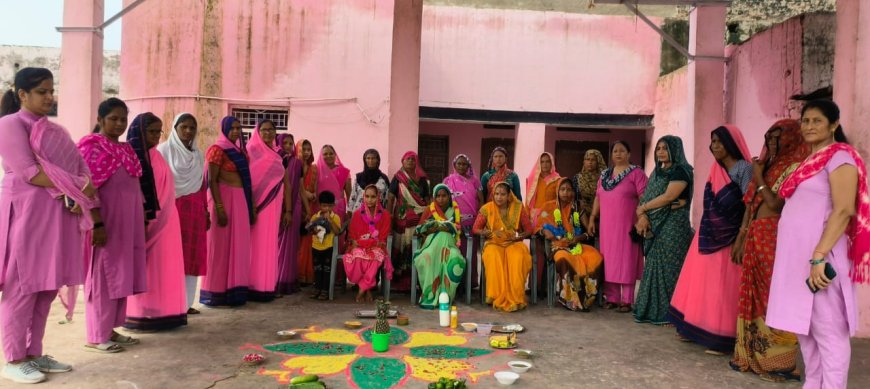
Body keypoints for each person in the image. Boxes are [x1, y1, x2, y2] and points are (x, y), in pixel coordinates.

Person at [0, 67, 95, 383]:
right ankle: (13, 358)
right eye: (42, 91)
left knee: (46, 288)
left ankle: (34, 352)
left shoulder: (56, 132)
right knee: (22, 287)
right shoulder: (10, 125)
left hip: (56, 216)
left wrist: (77, 187)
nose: (49, 97)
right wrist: (76, 188)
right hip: (25, 216)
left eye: (51, 90)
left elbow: (83, 171)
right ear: (22, 94)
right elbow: (30, 172)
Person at [767, 100, 870, 388]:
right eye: (806, 121)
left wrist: (818, 256)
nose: (809, 126)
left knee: (830, 336)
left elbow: (843, 210)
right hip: (799, 261)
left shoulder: (841, 158)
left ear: (834, 125)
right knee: (807, 337)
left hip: (821, 261)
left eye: (817, 121)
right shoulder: (810, 161)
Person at [729, 120, 807, 382]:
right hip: (755, 235)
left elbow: (775, 204)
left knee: (772, 296)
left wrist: (759, 175)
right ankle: (753, 354)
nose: (772, 143)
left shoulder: (795, 167)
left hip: (776, 237)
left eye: (778, 138)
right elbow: (751, 204)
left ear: (791, 139)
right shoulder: (768, 164)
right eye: (769, 138)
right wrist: (741, 238)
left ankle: (779, 361)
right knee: (753, 293)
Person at [668, 125, 752, 354]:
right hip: (707, 235)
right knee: (701, 283)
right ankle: (693, 327)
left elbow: (750, 203)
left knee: (722, 287)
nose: (714, 146)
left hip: (729, 236)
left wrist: (742, 237)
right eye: (712, 141)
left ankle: (720, 338)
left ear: (731, 143)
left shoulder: (744, 169)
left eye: (719, 141)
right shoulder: (717, 168)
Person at [78, 98, 147, 353]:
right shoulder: (91, 147)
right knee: (103, 277)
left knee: (121, 274)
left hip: (128, 224)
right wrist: (97, 223)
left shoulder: (127, 150)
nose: (119, 124)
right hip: (104, 223)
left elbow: (134, 187)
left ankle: (111, 328)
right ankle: (97, 335)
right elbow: (86, 190)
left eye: (122, 119)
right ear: (100, 120)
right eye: (113, 119)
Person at [124, 113, 188, 331]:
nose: (155, 136)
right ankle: (141, 313)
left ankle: (164, 311)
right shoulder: (134, 156)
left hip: (168, 221)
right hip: (148, 223)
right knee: (148, 269)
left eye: (158, 131)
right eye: (150, 131)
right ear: (139, 131)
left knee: (165, 267)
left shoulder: (156, 155)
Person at [632, 136, 694, 325]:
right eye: (658, 148)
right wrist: (642, 215)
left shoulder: (681, 171)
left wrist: (643, 209)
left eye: (665, 148)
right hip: (655, 224)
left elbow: (669, 197)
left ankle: (671, 314)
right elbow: (647, 199)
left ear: (674, 150)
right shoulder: (657, 172)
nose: (660, 152)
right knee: (653, 266)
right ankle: (650, 311)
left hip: (673, 226)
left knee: (669, 269)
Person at [200, 116, 255, 307]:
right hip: (222, 200)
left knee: (239, 246)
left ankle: (235, 292)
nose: (235, 131)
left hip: (240, 200)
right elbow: (211, 180)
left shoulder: (241, 151)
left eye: (238, 128)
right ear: (224, 129)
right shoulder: (217, 150)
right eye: (231, 128)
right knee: (220, 247)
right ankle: (215, 293)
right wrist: (219, 208)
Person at [156, 113, 208, 315]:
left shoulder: (198, 154)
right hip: (172, 209)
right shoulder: (164, 151)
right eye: (183, 127)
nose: (188, 131)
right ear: (175, 129)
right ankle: (170, 301)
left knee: (191, 256)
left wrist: (206, 210)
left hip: (194, 212)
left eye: (192, 127)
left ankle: (186, 304)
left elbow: (202, 186)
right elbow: (160, 184)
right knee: (172, 255)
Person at [588, 141, 648, 312]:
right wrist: (593, 217)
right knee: (609, 260)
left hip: (628, 224)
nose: (618, 154)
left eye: (622, 150)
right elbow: (598, 197)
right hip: (607, 227)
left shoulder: (637, 173)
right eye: (615, 151)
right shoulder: (605, 175)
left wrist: (642, 218)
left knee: (626, 259)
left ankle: (627, 300)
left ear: (629, 154)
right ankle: (612, 297)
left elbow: (644, 197)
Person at [537, 178, 603, 312]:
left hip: (576, 245)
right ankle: (571, 299)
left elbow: (589, 231)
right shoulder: (548, 207)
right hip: (557, 246)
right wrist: (544, 230)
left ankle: (586, 296)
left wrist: (579, 237)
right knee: (563, 258)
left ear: (573, 192)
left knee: (596, 257)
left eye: (569, 190)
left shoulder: (578, 207)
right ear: (557, 191)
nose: (566, 193)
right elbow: (539, 223)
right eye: (562, 189)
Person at [247, 120, 292, 302]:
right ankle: (250, 286)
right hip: (254, 206)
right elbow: (247, 180)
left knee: (269, 245)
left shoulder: (279, 155)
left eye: (271, 130)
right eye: (264, 130)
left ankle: (267, 286)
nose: (268, 133)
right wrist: (250, 206)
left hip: (273, 206)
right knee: (253, 246)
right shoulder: (250, 152)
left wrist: (288, 210)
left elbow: (286, 184)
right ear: (257, 132)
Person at [473, 182, 533, 312]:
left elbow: (529, 229)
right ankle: (496, 296)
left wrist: (518, 236)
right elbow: (476, 228)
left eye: (503, 194)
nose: (499, 197)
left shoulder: (518, 208)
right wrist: (486, 232)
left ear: (509, 195)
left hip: (513, 242)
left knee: (518, 257)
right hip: (494, 243)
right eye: (496, 194)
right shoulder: (487, 208)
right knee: (493, 256)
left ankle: (516, 297)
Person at [413, 184, 468, 308]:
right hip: (431, 246)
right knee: (426, 258)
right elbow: (418, 230)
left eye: (444, 196)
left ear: (449, 196)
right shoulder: (429, 209)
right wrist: (432, 227)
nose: (441, 199)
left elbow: (461, 231)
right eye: (438, 196)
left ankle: (446, 296)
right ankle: (430, 295)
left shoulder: (455, 211)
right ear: (434, 197)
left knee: (455, 260)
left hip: (450, 246)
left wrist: (451, 227)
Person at [386, 151, 430, 291]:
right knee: (400, 247)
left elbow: (428, 200)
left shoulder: (423, 179)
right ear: (402, 161)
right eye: (407, 159)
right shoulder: (398, 178)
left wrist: (428, 217)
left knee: (416, 248)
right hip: (402, 218)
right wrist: (388, 216)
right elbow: (391, 197)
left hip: (419, 218)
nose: (410, 161)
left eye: (413, 159)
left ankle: (415, 282)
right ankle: (400, 283)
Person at [344, 185, 392, 302]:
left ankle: (361, 290)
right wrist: (364, 243)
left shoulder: (385, 215)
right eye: (367, 196)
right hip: (360, 246)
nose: (370, 200)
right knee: (358, 256)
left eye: (373, 197)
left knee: (375, 258)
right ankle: (368, 290)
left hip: (376, 246)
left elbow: (382, 237)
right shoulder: (356, 214)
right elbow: (353, 237)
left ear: (378, 198)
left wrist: (369, 242)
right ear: (363, 197)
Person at [442, 154, 484, 289]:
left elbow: (481, 199)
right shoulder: (448, 180)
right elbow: (443, 200)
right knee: (455, 251)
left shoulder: (475, 181)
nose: (461, 166)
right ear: (454, 165)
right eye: (459, 164)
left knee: (469, 252)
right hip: (454, 222)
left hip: (471, 222)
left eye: (464, 164)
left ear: (468, 166)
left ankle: (470, 282)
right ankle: (455, 282)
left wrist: (480, 217)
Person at [525, 152, 561, 294]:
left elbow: (558, 202)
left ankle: (548, 287)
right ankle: (535, 286)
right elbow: (529, 201)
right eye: (543, 162)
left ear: (552, 163)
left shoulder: (557, 180)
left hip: (551, 220)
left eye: (548, 162)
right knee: (536, 252)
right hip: (535, 221)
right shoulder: (534, 179)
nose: (545, 164)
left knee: (550, 252)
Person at [276, 133, 303, 295]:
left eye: (290, 143)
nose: (287, 146)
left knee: (290, 247)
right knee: (275, 246)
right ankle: (274, 280)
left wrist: (304, 209)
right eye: (284, 142)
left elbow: (300, 189)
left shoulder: (297, 163)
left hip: (293, 209)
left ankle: (286, 281)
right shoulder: (275, 160)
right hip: (275, 208)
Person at [307, 191, 342, 300]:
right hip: (316, 247)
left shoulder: (335, 217)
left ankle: (325, 290)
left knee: (327, 269)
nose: (326, 208)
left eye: (329, 206)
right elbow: (309, 228)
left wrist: (330, 220)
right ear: (320, 205)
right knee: (317, 268)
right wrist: (314, 229)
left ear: (333, 205)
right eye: (324, 205)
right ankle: (317, 288)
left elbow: (337, 232)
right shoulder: (315, 216)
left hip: (328, 247)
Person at [571, 149, 606, 244]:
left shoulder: (605, 179)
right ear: (584, 161)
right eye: (587, 159)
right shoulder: (577, 178)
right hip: (582, 219)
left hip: (602, 219)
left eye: (593, 160)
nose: (590, 162)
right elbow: (577, 201)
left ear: (598, 161)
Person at [296, 139, 318, 285]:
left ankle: (305, 275)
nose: (306, 152)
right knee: (296, 243)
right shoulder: (294, 166)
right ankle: (295, 275)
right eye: (303, 149)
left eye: (308, 150)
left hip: (310, 208)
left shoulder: (314, 168)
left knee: (307, 242)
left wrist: (312, 195)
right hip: (297, 207)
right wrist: (306, 194)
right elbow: (294, 187)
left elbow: (315, 191)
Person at [347, 149, 389, 220]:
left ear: (377, 160)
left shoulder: (383, 179)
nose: (371, 161)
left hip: (377, 216)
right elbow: (352, 198)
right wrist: (349, 216)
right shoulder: (359, 178)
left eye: (373, 158)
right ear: (364, 160)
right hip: (358, 215)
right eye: (368, 158)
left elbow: (387, 199)